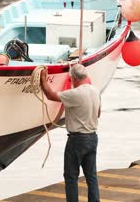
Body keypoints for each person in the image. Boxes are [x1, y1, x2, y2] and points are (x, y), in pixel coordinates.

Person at [40, 64, 101, 202]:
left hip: (77, 140)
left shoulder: (75, 94)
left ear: (73, 78)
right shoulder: (95, 91)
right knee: (91, 176)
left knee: (71, 176)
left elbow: (50, 95)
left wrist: (43, 79)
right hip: (92, 138)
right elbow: (98, 113)